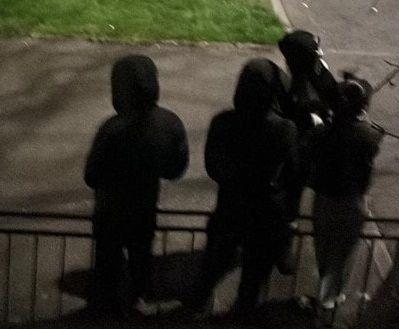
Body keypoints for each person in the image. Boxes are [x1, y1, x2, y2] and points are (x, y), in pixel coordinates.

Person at [187, 59, 299, 318]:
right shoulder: (285, 129)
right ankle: (241, 314)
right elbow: (293, 173)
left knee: (213, 263)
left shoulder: (223, 122)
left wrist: (236, 179)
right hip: (266, 212)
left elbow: (213, 167)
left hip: (231, 206)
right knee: (253, 274)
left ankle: (196, 306)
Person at [84, 55, 188, 316]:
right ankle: (136, 304)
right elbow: (175, 170)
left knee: (108, 264)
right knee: (141, 259)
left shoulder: (113, 129)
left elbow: (91, 175)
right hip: (143, 209)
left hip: (110, 212)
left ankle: (106, 310)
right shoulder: (170, 124)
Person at [311, 79, 382, 320]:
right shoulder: (368, 136)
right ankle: (329, 301)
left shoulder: (324, 132)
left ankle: (327, 295)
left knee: (324, 248)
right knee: (341, 254)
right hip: (351, 200)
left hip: (324, 198)